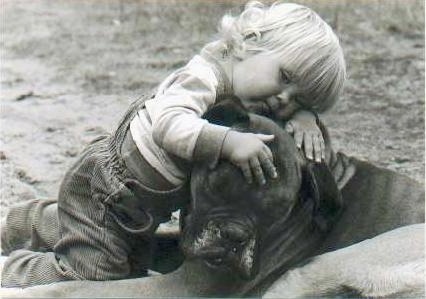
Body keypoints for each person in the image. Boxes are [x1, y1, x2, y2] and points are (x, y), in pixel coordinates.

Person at [1, 1, 346, 287]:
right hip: (110, 192)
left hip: (135, 207)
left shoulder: (251, 92)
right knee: (93, 276)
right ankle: (12, 273)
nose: (282, 99)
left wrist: (305, 118)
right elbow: (169, 125)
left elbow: (276, 114)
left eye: (300, 99)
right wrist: (227, 142)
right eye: (284, 77)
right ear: (250, 41)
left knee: (104, 244)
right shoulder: (201, 78)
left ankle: (21, 223)